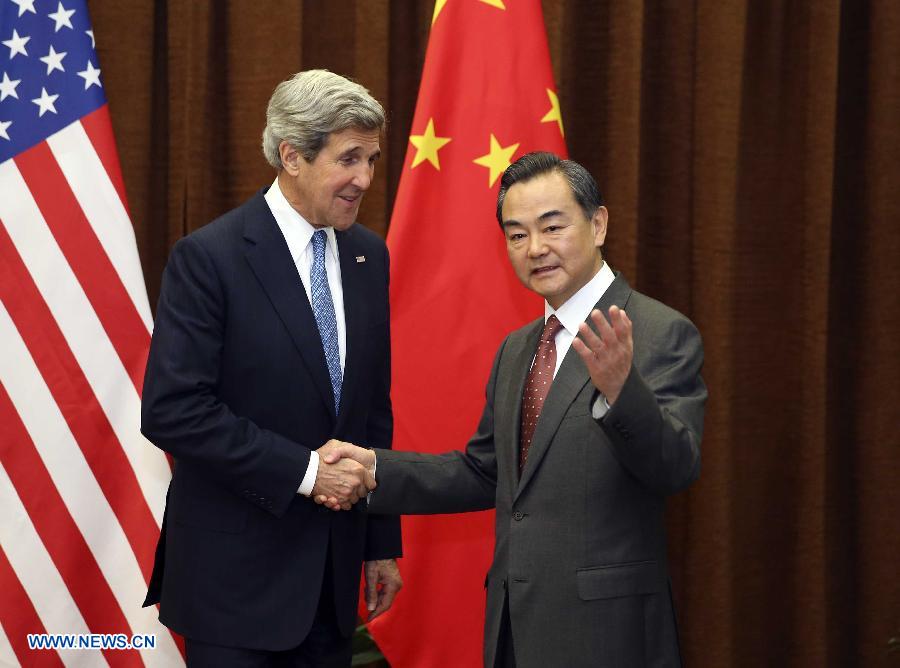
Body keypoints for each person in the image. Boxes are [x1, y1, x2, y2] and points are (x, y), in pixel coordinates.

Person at [318, 152, 707, 667]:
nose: (536, 249)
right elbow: (485, 473)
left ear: (598, 223)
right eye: (517, 234)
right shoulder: (518, 348)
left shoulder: (659, 332)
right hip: (513, 628)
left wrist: (620, 392)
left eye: (552, 227)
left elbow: (675, 468)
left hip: (607, 633)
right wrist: (375, 468)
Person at [141, 69, 402, 667]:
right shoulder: (210, 257)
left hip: (332, 585)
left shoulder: (368, 255)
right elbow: (174, 411)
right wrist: (307, 473)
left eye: (371, 159)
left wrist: (379, 542)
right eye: (349, 159)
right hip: (235, 588)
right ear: (292, 155)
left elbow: (371, 409)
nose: (365, 178)